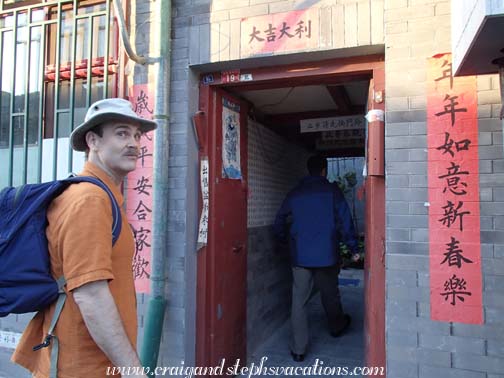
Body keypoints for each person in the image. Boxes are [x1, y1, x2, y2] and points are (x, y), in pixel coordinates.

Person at [11, 98, 157, 377]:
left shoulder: (102, 195)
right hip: (82, 366)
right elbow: (91, 294)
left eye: (137, 135)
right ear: (93, 141)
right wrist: (134, 371)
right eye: (122, 133)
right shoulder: (89, 200)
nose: (134, 144)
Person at [273, 155, 360, 362]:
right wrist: (353, 247)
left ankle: (298, 350)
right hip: (327, 255)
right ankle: (337, 326)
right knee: (330, 295)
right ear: (324, 170)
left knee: (299, 301)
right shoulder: (332, 192)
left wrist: (285, 241)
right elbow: (345, 220)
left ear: (308, 170)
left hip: (300, 256)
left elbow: (279, 220)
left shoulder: (295, 193)